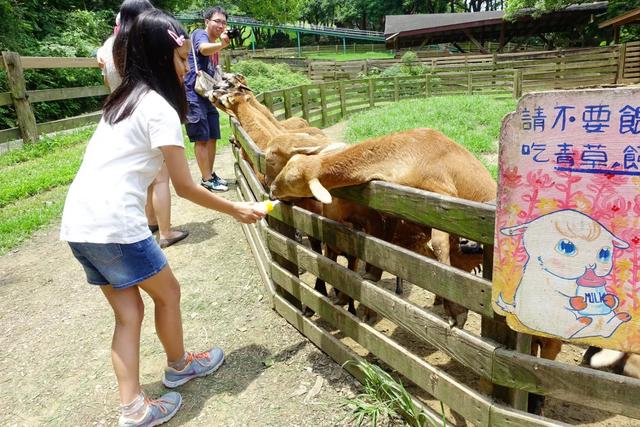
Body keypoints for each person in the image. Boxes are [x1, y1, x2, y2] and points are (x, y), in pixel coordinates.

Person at [60, 10, 265, 427]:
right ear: (159, 59)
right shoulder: (159, 109)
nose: (185, 68)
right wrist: (237, 209)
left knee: (128, 313)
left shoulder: (119, 101)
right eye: (179, 60)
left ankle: (133, 407)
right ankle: (179, 366)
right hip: (116, 226)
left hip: (79, 225)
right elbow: (187, 187)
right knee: (167, 293)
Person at [98, 0, 189, 249]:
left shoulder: (107, 46)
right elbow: (186, 187)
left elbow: (107, 81)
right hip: (146, 115)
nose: (187, 67)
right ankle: (166, 231)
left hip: (122, 111)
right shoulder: (140, 46)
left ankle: (150, 221)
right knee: (160, 179)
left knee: (146, 178)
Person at [184, 5, 231, 192]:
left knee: (212, 135)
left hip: (207, 94)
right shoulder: (199, 34)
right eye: (217, 21)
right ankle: (206, 179)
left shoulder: (216, 45)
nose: (221, 25)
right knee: (201, 137)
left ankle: (210, 174)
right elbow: (203, 50)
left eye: (224, 23)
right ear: (207, 22)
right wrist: (222, 44)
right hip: (193, 93)